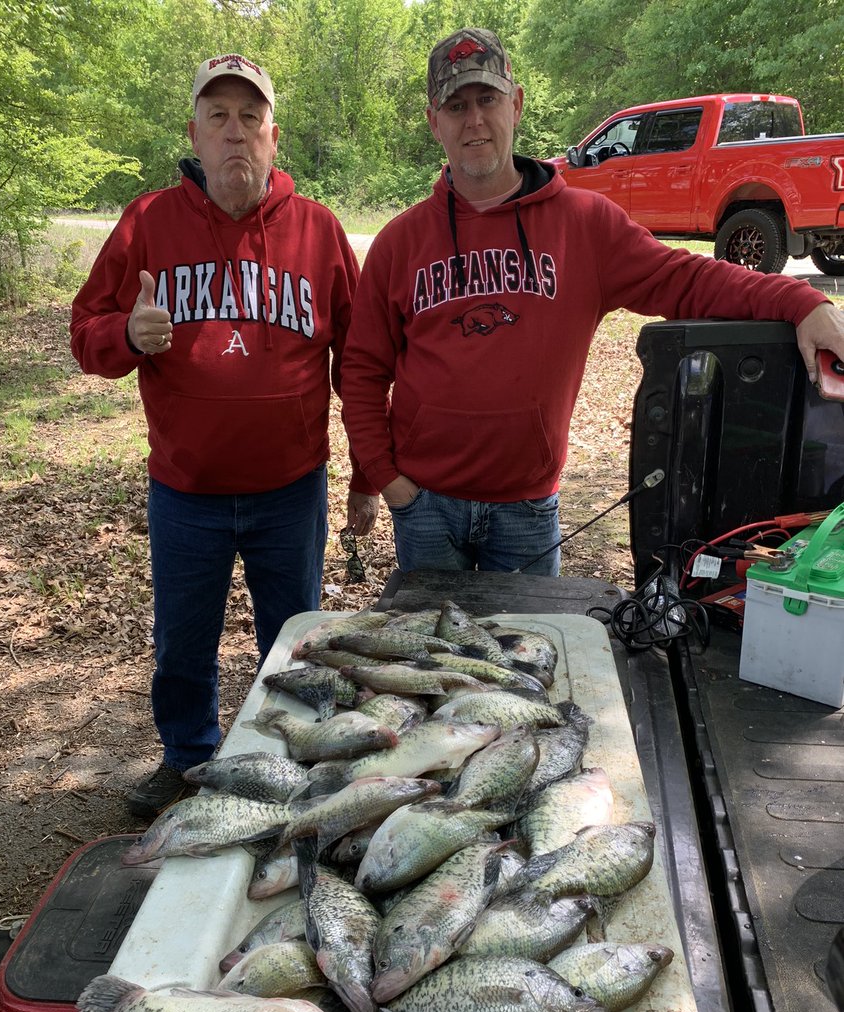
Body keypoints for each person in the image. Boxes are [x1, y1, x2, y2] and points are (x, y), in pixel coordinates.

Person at [341, 28, 844, 576]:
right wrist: (388, 482)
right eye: (456, 105)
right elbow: (363, 370)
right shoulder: (399, 243)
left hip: (526, 511)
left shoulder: (583, 225)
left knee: (527, 657)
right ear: (433, 121)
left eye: (487, 99)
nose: (474, 120)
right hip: (426, 507)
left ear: (516, 103)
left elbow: (687, 278)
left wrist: (800, 300)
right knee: (436, 662)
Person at [71, 53, 378, 818]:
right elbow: (85, 334)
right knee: (183, 642)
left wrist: (369, 472)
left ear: (274, 136)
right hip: (186, 490)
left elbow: (363, 359)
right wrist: (126, 336)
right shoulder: (148, 222)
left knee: (295, 640)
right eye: (219, 117)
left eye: (250, 117)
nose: (235, 133)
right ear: (195, 133)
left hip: (290, 487)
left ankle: (291, 755)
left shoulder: (317, 231)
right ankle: (188, 758)